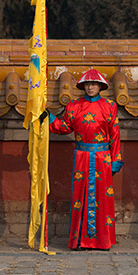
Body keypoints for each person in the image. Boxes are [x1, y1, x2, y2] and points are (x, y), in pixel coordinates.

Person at [49, 69, 123, 250]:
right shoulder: (74, 105)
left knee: (102, 198)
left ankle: (102, 241)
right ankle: (80, 240)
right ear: (83, 86)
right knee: (79, 197)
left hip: (102, 157)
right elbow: (64, 126)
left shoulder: (109, 106)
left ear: (100, 86)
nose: (90, 87)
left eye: (94, 84)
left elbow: (115, 135)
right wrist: (48, 118)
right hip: (82, 156)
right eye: (87, 84)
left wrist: (115, 160)